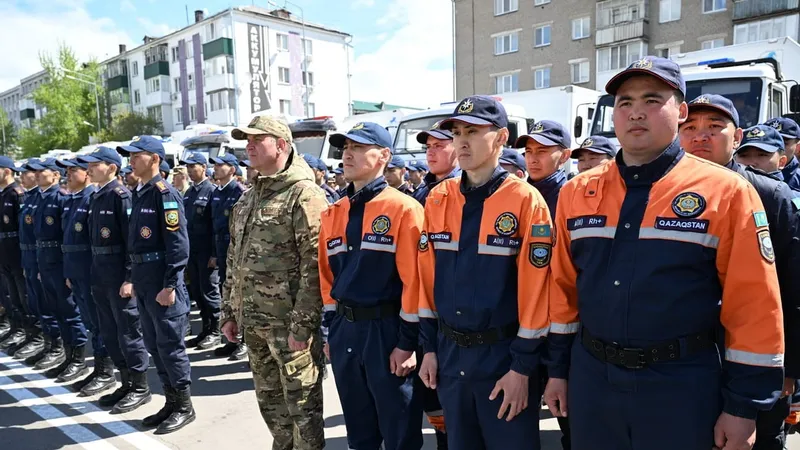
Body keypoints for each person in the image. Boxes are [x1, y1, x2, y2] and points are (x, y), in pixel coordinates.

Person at [545, 56, 784, 450]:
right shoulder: (576, 192)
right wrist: (557, 370)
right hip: (593, 379)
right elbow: (562, 289)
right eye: (625, 102)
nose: (636, 112)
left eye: (652, 100)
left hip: (681, 384)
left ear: (681, 112)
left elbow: (754, 305)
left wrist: (743, 406)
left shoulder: (726, 191)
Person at [416, 96, 552, 450]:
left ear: (502, 138)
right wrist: (428, 348)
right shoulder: (438, 198)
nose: (462, 141)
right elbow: (426, 281)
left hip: (503, 361)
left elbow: (538, 293)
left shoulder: (526, 200)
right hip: (450, 357)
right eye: (457, 132)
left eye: (473, 132)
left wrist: (522, 368)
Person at [679, 93, 800, 450]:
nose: (700, 136)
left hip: (755, 362)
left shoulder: (771, 195)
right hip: (685, 364)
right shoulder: (662, 192)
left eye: (714, 126)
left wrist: (789, 367)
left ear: (737, 137)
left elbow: (792, 288)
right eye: (690, 127)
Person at [220, 115, 327, 449]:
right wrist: (229, 312)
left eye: (257, 139)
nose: (249, 146)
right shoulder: (248, 198)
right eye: (246, 141)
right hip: (254, 325)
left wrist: (302, 327)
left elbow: (315, 266)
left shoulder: (304, 195)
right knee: (273, 412)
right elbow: (234, 259)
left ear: (281, 145)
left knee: (303, 416)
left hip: (289, 330)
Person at [318, 121, 424, 450]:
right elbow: (327, 277)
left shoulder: (403, 208)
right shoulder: (333, 212)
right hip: (346, 330)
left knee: (399, 431)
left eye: (360, 147)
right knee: (360, 432)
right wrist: (331, 330)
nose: (348, 154)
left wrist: (407, 342)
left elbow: (416, 282)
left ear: (384, 156)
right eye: (346, 148)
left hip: (387, 332)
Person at [117, 136, 194, 434]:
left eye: (137, 155)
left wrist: (170, 284)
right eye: (130, 156)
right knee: (153, 345)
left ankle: (184, 406)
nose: (131, 161)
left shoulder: (165, 193)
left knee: (170, 346)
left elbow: (178, 244)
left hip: (162, 283)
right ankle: (170, 401)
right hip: (145, 280)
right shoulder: (139, 193)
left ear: (155, 159)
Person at [80, 147, 151, 401]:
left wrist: (129, 277)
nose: (89, 169)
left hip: (118, 275)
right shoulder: (97, 196)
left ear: (111, 168)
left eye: (94, 165)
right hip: (100, 273)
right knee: (109, 332)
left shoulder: (121, 196)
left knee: (128, 332)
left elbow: (132, 241)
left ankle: (140, 387)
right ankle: (126, 382)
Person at [30, 158, 88, 377]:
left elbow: (66, 235)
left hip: (59, 260)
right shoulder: (41, 197)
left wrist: (67, 269)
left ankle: (79, 359)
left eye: (42, 171)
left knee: (70, 310)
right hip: (45, 259)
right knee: (56, 309)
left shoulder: (61, 198)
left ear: (54, 175)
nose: (36, 174)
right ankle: (67, 354)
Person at [56, 157, 104, 384]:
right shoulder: (71, 199)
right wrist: (69, 272)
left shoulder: (92, 198)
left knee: (98, 322)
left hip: (89, 269)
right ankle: (91, 367)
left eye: (73, 170)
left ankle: (104, 371)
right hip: (75, 269)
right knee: (88, 321)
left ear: (86, 173)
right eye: (66, 170)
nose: (67, 174)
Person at [206, 153, 247, 361]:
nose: (216, 168)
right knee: (227, 293)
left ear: (232, 169)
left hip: (234, 248)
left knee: (240, 295)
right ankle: (232, 339)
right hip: (221, 249)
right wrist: (214, 253)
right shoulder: (217, 192)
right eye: (215, 165)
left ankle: (244, 341)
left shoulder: (239, 191)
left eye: (220, 165)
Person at [10, 160, 51, 365]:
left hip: (41, 256)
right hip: (28, 255)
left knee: (49, 305)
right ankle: (41, 340)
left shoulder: (49, 197)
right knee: (33, 301)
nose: (23, 176)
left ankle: (54, 346)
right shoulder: (31, 197)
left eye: (27, 172)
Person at [180, 152, 222, 350]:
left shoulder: (211, 190)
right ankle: (205, 330)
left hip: (206, 251)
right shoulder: (189, 192)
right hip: (192, 251)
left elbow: (215, 226)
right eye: (188, 167)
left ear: (204, 167)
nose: (189, 170)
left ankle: (216, 331)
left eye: (193, 166)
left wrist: (214, 253)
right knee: (197, 291)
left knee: (209, 292)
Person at [0, 157, 40, 359]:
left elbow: (24, 228)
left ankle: (34, 334)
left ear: (7, 171)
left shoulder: (17, 194)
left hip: (17, 251)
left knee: (25, 296)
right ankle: (18, 328)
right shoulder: (3, 194)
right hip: (5, 251)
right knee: (11, 296)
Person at [515, 120, 572, 221]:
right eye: (528, 151)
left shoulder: (572, 199)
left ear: (564, 156)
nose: (532, 160)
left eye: (541, 151)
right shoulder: (517, 195)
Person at [411, 124, 461, 206]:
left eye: (438, 146)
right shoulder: (420, 194)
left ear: (456, 148)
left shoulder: (468, 189)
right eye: (428, 146)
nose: (430, 152)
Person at [765, 117, 800, 190]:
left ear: (797, 147)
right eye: (768, 142)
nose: (774, 148)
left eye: (783, 143)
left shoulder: (798, 180)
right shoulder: (748, 174)